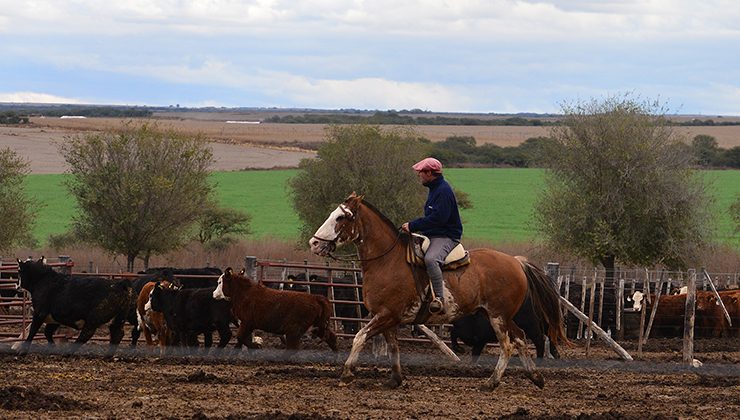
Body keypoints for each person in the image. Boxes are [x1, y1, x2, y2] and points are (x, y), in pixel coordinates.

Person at [401, 157, 462, 314]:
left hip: (446, 236)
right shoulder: (436, 189)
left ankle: (439, 299)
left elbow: (439, 219)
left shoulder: (443, 191)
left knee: (431, 259)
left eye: (421, 172)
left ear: (429, 173)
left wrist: (413, 225)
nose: (419, 175)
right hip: (433, 235)